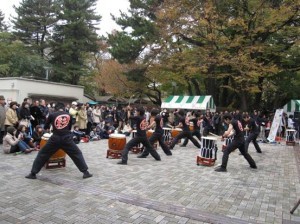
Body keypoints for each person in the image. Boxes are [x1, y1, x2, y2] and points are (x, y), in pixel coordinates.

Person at [25, 102, 92, 179]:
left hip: (55, 138)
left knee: (42, 154)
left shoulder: (52, 115)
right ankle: (85, 172)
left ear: (55, 108)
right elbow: (69, 127)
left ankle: (33, 173)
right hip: (67, 138)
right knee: (76, 153)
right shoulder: (69, 115)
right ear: (63, 108)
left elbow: (46, 126)